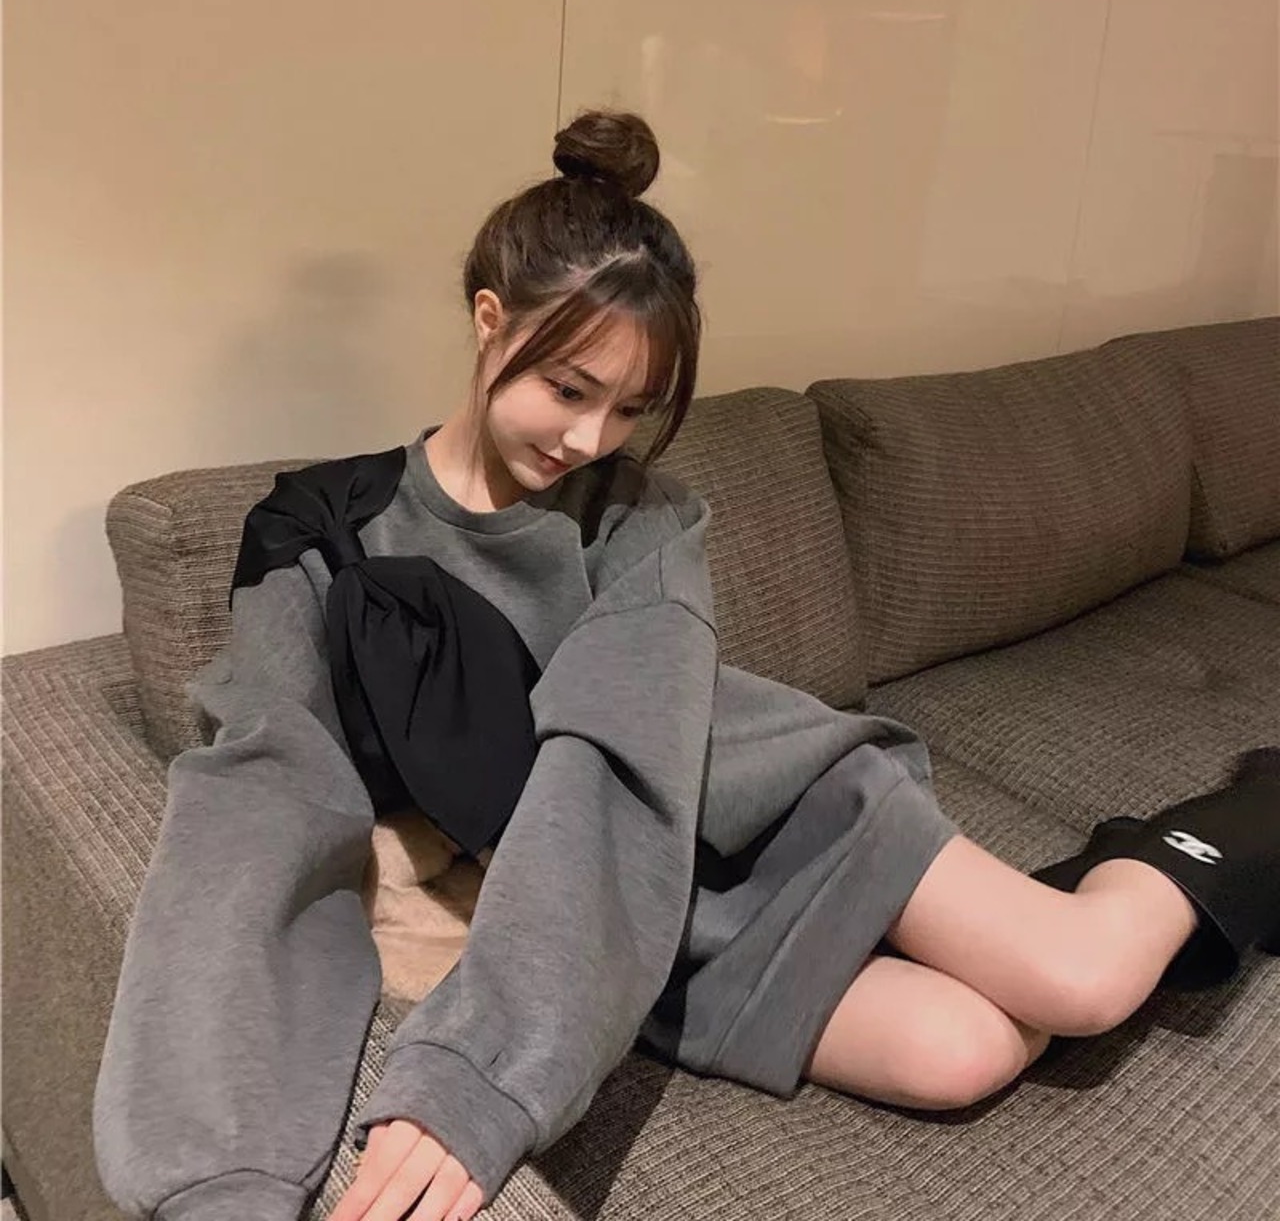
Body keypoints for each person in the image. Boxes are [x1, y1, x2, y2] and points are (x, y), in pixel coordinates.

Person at [93, 110, 1280, 1221]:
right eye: (567, 389)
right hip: (621, 909)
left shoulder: (644, 522)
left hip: (760, 805)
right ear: (488, 318)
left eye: (628, 408)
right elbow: (259, 797)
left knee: (1077, 982)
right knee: (959, 1053)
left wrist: (481, 1073)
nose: (588, 440)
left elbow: (617, 766)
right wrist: (219, 1173)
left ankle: (1246, 807)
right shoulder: (317, 529)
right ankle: (1043, 898)